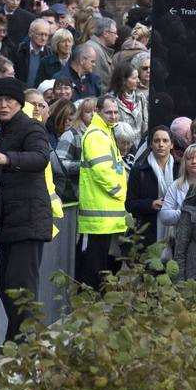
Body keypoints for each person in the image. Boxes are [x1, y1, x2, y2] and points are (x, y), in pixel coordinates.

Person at [0, 77, 53, 345]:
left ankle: (24, 344)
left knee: (20, 284)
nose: (3, 105)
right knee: (6, 282)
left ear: (19, 103)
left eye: (8, 101)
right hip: (13, 218)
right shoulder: (2, 130)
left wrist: (8, 158)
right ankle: (16, 341)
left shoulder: (30, 128)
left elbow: (41, 157)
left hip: (29, 218)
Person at [73, 95, 126, 286]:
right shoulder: (97, 134)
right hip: (96, 216)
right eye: (108, 112)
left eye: (115, 112)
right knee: (90, 272)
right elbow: (102, 170)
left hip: (104, 216)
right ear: (97, 112)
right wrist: (120, 191)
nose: (113, 116)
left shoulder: (105, 132)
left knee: (99, 269)